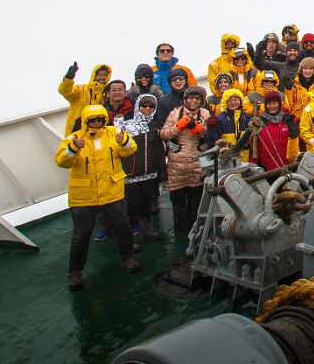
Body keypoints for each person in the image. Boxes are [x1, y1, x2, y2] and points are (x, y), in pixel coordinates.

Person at [56, 103, 141, 290]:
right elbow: (61, 161)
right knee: (81, 235)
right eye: (92, 120)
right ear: (86, 121)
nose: (96, 123)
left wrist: (124, 141)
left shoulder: (114, 133)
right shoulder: (75, 138)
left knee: (122, 227)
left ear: (104, 119)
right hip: (84, 195)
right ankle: (75, 271)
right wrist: (72, 148)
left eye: (99, 119)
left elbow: (130, 149)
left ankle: (128, 258)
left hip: (112, 191)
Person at [160, 85, 210, 236]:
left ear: (201, 100)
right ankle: (181, 233)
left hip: (197, 163)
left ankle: (197, 232)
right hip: (177, 165)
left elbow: (210, 135)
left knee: (197, 202)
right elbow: (163, 134)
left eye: (197, 98)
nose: (193, 101)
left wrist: (200, 130)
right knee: (178, 203)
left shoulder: (206, 114)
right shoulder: (175, 113)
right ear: (185, 99)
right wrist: (178, 127)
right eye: (190, 97)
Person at [117, 93, 165, 239]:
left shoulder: (155, 126)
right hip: (131, 172)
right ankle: (132, 228)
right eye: (144, 105)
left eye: (151, 106)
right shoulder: (126, 125)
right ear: (138, 106)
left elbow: (159, 151)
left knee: (146, 201)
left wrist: (162, 170)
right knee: (130, 203)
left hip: (150, 171)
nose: (148, 109)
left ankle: (146, 226)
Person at [57, 62, 112, 136]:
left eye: (105, 75)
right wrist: (68, 77)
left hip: (99, 133)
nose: (102, 77)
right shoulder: (81, 89)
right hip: (76, 131)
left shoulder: (108, 94)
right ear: (94, 75)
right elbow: (64, 91)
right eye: (99, 74)